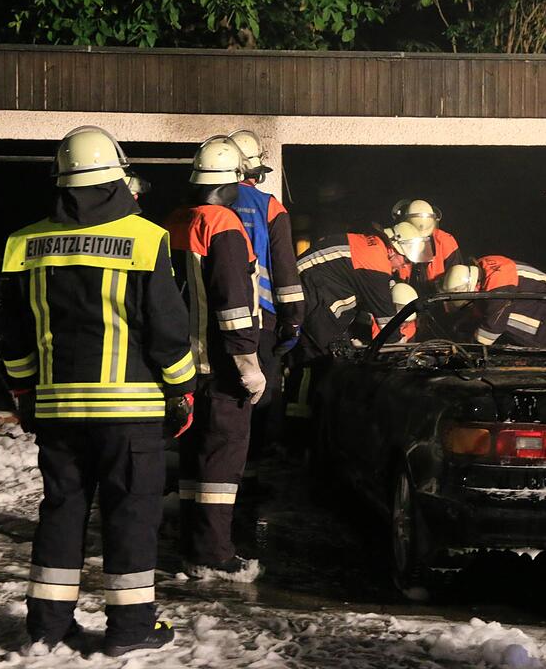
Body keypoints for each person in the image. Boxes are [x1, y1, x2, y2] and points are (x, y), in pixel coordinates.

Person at [0, 126, 195, 656]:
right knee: (130, 516)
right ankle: (131, 630)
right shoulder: (146, 237)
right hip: (129, 415)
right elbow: (166, 330)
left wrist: (23, 393)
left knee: (61, 513)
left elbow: (13, 335)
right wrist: (183, 388)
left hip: (57, 411)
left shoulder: (23, 243)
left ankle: (47, 628)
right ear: (118, 176)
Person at [166, 135, 267, 579]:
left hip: (185, 366)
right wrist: (248, 362)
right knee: (222, 462)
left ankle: (193, 544)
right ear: (230, 182)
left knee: (193, 460)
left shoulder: (175, 220)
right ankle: (214, 553)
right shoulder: (223, 224)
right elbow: (232, 302)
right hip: (222, 366)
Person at [225, 129, 304, 486]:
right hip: (262, 319)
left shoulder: (203, 206)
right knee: (261, 396)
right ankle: (250, 473)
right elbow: (286, 271)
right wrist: (293, 322)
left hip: (211, 317)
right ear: (253, 173)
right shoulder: (270, 206)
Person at [294, 222, 430, 362]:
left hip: (310, 293)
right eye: (406, 260)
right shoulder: (375, 264)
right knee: (321, 360)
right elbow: (387, 322)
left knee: (333, 353)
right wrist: (401, 348)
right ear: (391, 250)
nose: (404, 266)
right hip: (310, 298)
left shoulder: (374, 248)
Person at [439, 255, 546, 351]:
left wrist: (466, 351)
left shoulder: (499, 286)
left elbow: (492, 328)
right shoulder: (481, 273)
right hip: (533, 299)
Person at [391, 199, 463, 292]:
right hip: (405, 295)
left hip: (438, 298)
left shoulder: (445, 241)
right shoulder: (396, 239)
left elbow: (457, 278)